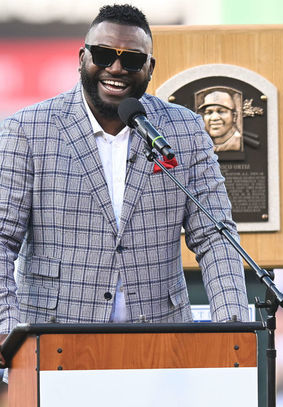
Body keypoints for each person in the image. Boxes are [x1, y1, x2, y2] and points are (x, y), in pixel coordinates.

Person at [0, 4, 250, 342]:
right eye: (103, 55)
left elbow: (215, 234)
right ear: (81, 58)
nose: (115, 68)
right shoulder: (27, 130)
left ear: (150, 68)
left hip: (161, 342)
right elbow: (2, 241)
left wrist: (232, 324)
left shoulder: (185, 130)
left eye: (132, 60)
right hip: (53, 339)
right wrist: (6, 327)